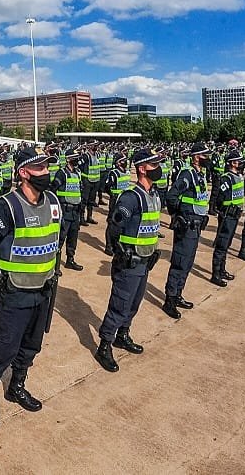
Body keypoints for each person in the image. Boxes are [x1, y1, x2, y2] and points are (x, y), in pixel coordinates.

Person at [0, 148, 60, 428]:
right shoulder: (6, 206)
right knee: (4, 346)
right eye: (40, 168)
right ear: (23, 173)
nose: (46, 173)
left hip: (44, 290)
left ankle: (16, 386)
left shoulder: (54, 203)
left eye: (47, 167)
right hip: (15, 293)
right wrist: (6, 269)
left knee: (30, 346)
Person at [94, 148, 165, 372]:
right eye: (154, 165)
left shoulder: (154, 194)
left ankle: (122, 335)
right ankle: (104, 345)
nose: (158, 168)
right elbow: (115, 225)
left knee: (134, 302)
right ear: (142, 168)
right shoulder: (131, 196)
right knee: (120, 304)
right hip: (130, 260)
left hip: (145, 259)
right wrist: (119, 251)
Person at [163, 144, 212, 319]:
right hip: (187, 225)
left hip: (196, 225)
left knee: (188, 262)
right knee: (180, 262)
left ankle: (178, 295)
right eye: (205, 155)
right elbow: (171, 196)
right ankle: (169, 299)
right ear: (197, 157)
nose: (208, 158)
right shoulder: (187, 174)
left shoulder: (200, 174)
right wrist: (178, 216)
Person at [210, 150, 245, 285]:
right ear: (231, 163)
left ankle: (222, 270)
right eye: (237, 161)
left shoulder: (239, 176)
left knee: (227, 244)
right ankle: (216, 273)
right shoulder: (226, 178)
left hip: (235, 215)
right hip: (227, 215)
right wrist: (223, 210)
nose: (240, 163)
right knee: (221, 245)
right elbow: (220, 197)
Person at [52, 147, 84, 272]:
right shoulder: (61, 173)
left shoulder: (78, 173)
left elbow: (79, 190)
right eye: (75, 158)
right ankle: (55, 265)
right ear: (69, 159)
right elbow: (53, 189)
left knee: (73, 237)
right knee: (60, 238)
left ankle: (70, 260)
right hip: (65, 210)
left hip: (75, 211)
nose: (77, 160)